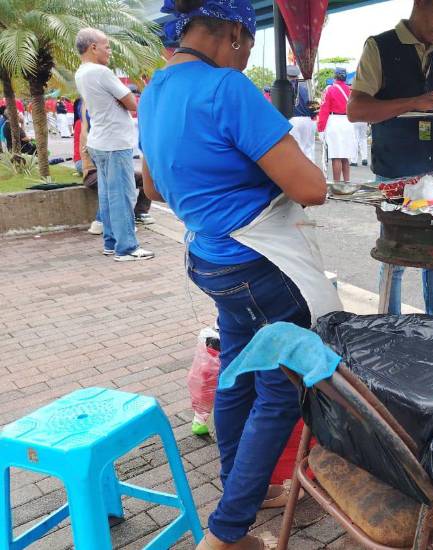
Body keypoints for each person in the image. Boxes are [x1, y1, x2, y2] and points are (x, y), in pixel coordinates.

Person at [139, 1, 341, 548]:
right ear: (233, 32)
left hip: (209, 259)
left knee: (236, 375)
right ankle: (226, 534)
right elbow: (313, 188)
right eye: (247, 46)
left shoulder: (154, 89)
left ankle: (238, 488)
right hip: (257, 265)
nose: (245, 58)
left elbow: (154, 189)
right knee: (280, 391)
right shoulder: (227, 90)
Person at [348, 0, 433, 316]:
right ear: (420, 5)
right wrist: (416, 101)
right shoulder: (381, 46)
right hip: (394, 171)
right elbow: (357, 110)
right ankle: (391, 324)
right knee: (397, 253)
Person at [75, 27, 153, 261]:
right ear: (93, 47)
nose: (109, 51)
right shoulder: (101, 72)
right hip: (114, 142)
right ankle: (127, 248)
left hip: (99, 141)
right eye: (107, 46)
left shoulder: (82, 72)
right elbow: (132, 103)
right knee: (123, 195)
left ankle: (111, 242)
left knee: (108, 196)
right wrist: (124, 101)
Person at [318, 67, 357, 182]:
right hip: (347, 122)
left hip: (335, 122)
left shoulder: (330, 90)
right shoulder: (350, 90)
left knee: (336, 156)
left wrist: (321, 128)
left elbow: (324, 110)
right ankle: (347, 182)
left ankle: (337, 185)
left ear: (335, 76)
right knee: (345, 156)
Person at [286, 65, 318, 163]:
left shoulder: (285, 88)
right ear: (297, 75)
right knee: (309, 149)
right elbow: (315, 108)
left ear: (287, 75)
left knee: (296, 150)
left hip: (293, 120)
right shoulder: (306, 88)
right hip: (308, 120)